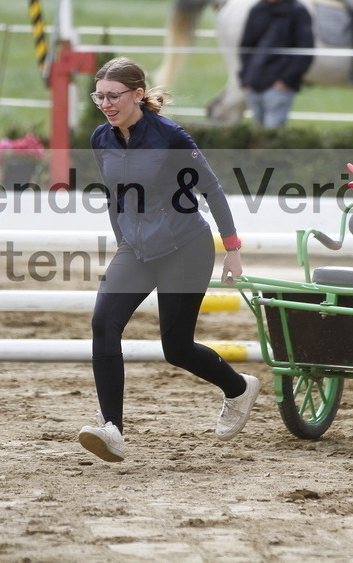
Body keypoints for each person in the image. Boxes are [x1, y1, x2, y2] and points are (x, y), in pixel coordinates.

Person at [79, 56, 259, 462]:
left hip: (186, 247)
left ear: (138, 95)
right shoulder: (100, 138)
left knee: (176, 348)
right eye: (99, 97)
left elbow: (211, 190)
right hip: (137, 248)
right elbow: (114, 196)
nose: (106, 104)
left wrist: (232, 249)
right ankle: (112, 429)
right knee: (103, 324)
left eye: (114, 96)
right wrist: (123, 238)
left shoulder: (170, 137)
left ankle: (238, 388)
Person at [239, 0, 315, 128]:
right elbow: (245, 47)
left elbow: (305, 52)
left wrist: (285, 82)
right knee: (258, 134)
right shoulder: (257, 9)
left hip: (278, 87)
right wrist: (246, 80)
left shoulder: (298, 11)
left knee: (272, 137)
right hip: (255, 84)